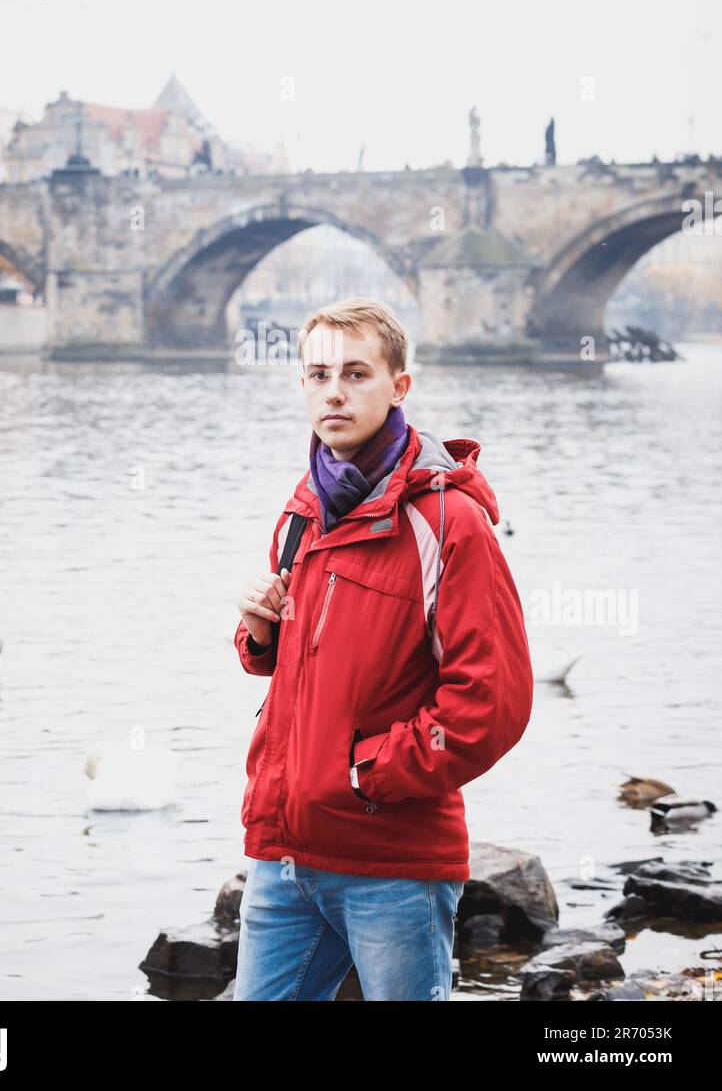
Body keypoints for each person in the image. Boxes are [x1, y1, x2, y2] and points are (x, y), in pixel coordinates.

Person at [232, 297, 533, 1001]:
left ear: (400, 386)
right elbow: (298, 665)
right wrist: (260, 631)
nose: (333, 391)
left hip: (391, 865)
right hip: (283, 854)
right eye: (317, 374)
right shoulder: (303, 509)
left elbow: (492, 705)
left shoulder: (449, 522)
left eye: (356, 373)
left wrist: (367, 775)